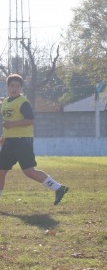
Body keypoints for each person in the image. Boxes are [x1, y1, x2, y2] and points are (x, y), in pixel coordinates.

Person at [0, 74, 69, 205]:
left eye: (18, 86)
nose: (15, 88)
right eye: (12, 86)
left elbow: (30, 120)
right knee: (0, 171)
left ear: (21, 88)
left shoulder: (23, 102)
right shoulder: (5, 103)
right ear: (7, 87)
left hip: (22, 142)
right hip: (9, 142)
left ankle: (59, 188)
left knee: (29, 172)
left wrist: (11, 125)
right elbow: (9, 121)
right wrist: (4, 137)